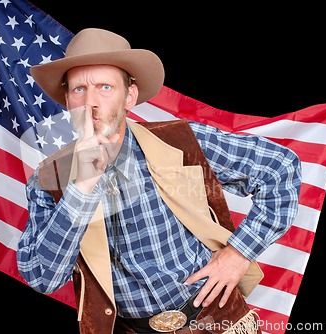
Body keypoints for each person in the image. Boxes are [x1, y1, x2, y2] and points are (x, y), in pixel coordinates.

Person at [16, 28, 302, 334]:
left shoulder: (180, 141)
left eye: (105, 87)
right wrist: (82, 187)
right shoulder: (48, 180)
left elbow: (280, 168)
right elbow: (43, 277)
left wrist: (239, 253)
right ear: (68, 102)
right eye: (79, 90)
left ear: (130, 96)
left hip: (216, 320)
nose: (92, 102)